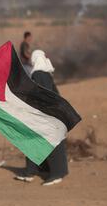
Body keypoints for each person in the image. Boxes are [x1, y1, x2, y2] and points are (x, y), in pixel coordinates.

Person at [15, 50, 69, 186]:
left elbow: (42, 95)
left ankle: (57, 173)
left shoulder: (39, 74)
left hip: (48, 116)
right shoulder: (44, 74)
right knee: (33, 140)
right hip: (48, 115)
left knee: (49, 144)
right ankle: (31, 171)